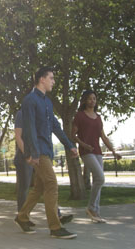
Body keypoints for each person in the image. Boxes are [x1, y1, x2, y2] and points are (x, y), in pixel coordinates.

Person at [16, 66, 80, 238]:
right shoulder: (29, 100)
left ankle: (22, 217)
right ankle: (55, 227)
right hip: (39, 152)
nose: (53, 81)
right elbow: (28, 129)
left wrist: (70, 145)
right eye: (51, 78)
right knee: (52, 183)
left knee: (39, 188)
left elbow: (55, 127)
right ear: (41, 79)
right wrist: (33, 153)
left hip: (47, 151)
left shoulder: (47, 102)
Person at [72, 90, 122, 223]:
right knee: (100, 178)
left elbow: (103, 137)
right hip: (86, 152)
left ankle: (96, 213)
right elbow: (73, 135)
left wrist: (113, 151)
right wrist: (84, 145)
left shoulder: (98, 117)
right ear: (84, 101)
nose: (92, 101)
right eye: (89, 99)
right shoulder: (80, 116)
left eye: (94, 98)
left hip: (98, 152)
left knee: (97, 182)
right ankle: (91, 208)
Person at [13, 106, 34, 217]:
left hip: (38, 157)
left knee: (48, 184)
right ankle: (22, 216)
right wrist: (27, 154)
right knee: (24, 188)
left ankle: (57, 214)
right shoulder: (21, 114)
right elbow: (18, 136)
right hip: (23, 158)